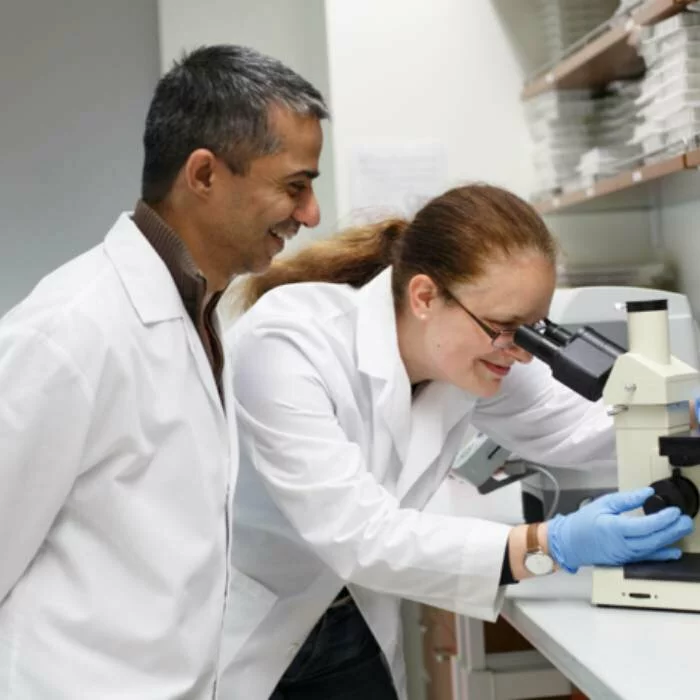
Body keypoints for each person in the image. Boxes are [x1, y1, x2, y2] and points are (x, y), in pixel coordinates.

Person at [219, 183, 694, 700]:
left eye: (535, 330)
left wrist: (684, 412)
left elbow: (577, 426)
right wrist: (549, 544)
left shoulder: (468, 348)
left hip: (349, 614)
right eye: (507, 328)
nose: (523, 353)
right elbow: (361, 537)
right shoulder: (287, 345)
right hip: (252, 626)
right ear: (424, 297)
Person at [0, 44, 327, 698]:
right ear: (203, 174)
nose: (311, 213)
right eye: (295, 185)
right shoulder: (71, 330)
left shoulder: (197, 313)